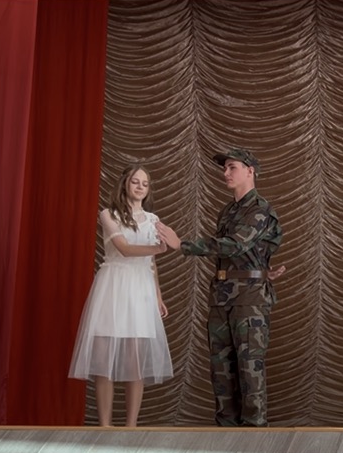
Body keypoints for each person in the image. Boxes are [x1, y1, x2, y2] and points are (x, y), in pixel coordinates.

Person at [156, 148, 283, 427]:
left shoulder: (260, 209)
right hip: (222, 296)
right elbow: (246, 252)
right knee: (221, 371)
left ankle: (253, 436)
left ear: (250, 171)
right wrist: (261, 267)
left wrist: (183, 245)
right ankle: (226, 434)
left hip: (249, 299)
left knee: (249, 369)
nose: (226, 173)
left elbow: (236, 244)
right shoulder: (227, 211)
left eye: (232, 167)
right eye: (224, 168)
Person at [69, 164, 174, 427]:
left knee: (135, 360)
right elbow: (124, 249)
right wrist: (159, 248)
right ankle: (105, 426)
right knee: (104, 358)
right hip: (114, 286)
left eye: (145, 184)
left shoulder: (153, 219)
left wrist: (158, 295)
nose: (140, 187)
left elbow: (151, 264)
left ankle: (131, 426)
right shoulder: (109, 214)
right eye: (136, 181)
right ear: (125, 183)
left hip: (141, 289)